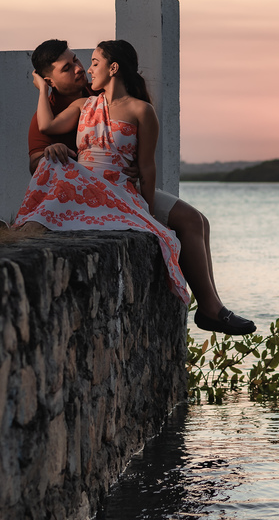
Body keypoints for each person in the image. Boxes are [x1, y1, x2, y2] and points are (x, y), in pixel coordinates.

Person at [17, 39, 256, 335]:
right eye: (69, 68)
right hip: (87, 187)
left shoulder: (105, 93)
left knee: (197, 221)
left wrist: (132, 170)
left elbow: (143, 158)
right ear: (50, 81)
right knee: (179, 222)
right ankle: (211, 307)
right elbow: (39, 159)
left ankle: (212, 308)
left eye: (81, 61)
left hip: (122, 185)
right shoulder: (62, 107)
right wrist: (52, 149)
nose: (81, 70)